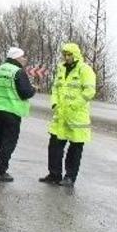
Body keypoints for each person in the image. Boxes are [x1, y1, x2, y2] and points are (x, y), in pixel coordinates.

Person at [39, 42, 96, 187]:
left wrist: (73, 105)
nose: (66, 57)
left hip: (76, 117)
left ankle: (70, 177)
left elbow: (89, 92)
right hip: (60, 115)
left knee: (75, 149)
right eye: (64, 54)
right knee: (54, 147)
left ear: (75, 55)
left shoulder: (85, 70)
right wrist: (54, 103)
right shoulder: (61, 69)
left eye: (69, 54)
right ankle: (54, 174)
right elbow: (55, 88)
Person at [0, 46, 36, 182]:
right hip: (12, 111)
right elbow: (25, 92)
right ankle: (1, 171)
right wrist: (34, 89)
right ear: (16, 58)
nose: (25, 59)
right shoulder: (17, 72)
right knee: (9, 141)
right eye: (23, 57)